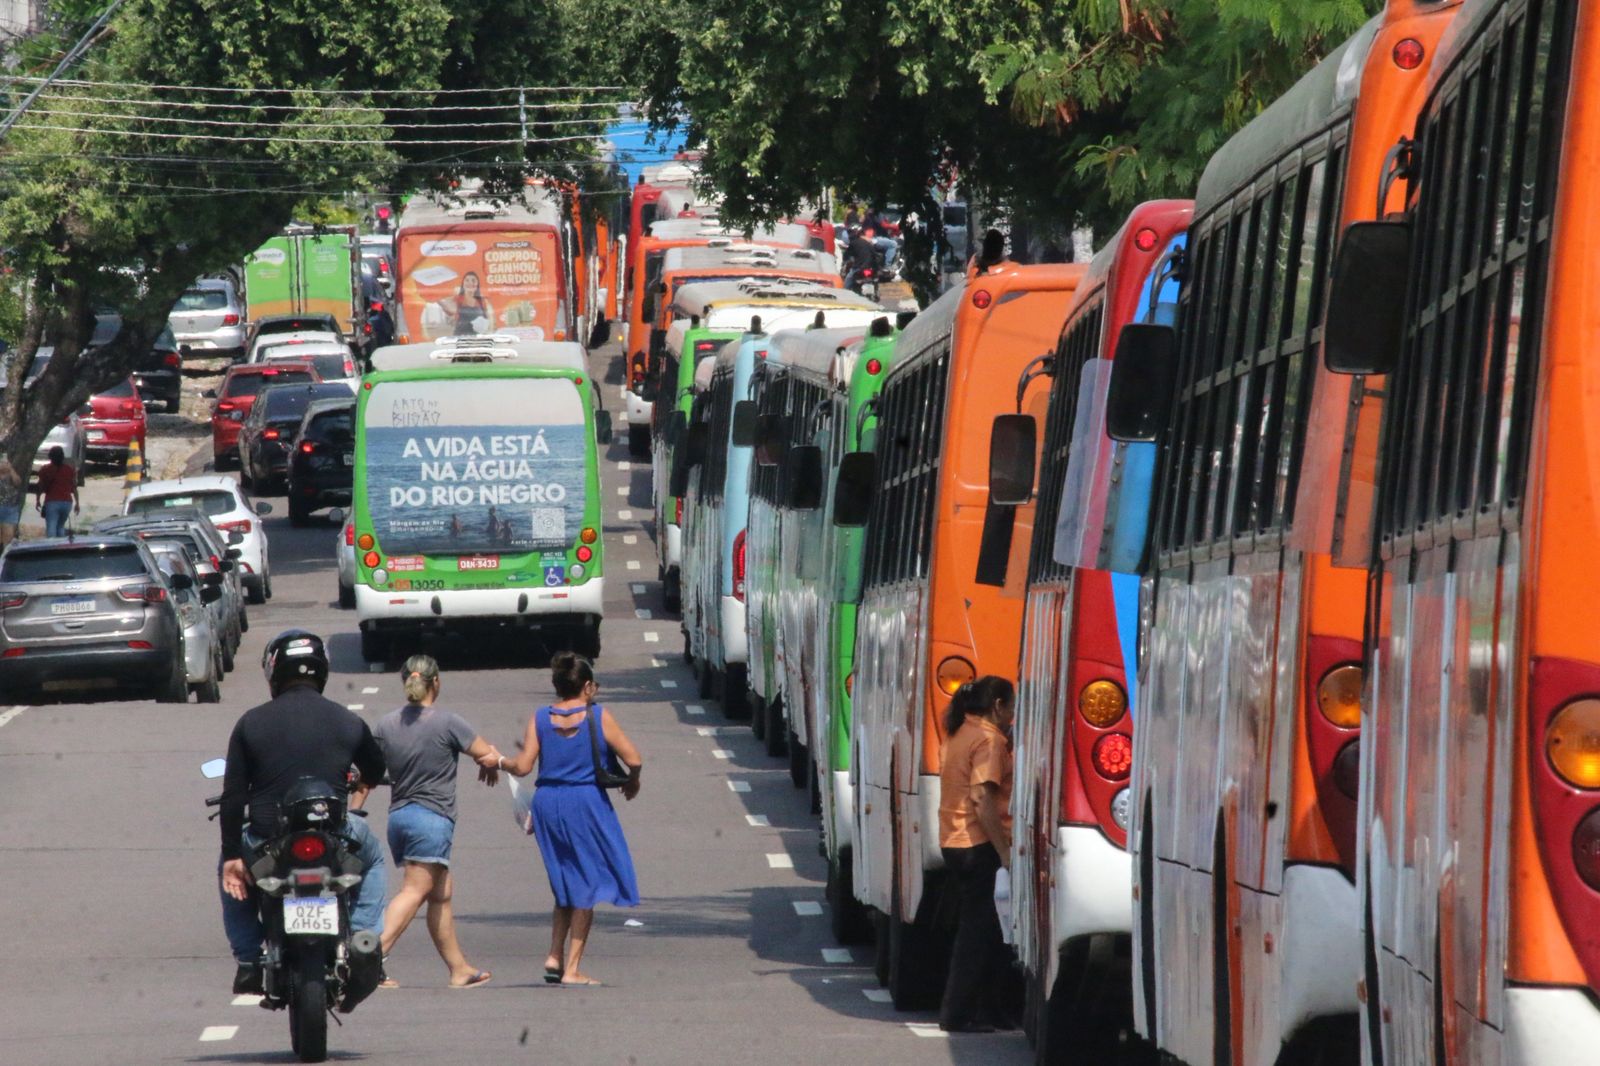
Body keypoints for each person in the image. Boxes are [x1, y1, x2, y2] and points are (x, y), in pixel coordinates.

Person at [219, 630, 389, 995]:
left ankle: (249, 960)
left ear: (273, 671)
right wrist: (358, 778)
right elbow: (375, 770)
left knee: (228, 872)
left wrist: (232, 855)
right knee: (373, 858)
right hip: (336, 833)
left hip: (267, 839)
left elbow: (233, 796)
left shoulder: (251, 723)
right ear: (322, 670)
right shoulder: (347, 721)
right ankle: (364, 938)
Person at [495, 652, 641, 986]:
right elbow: (633, 758)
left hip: (548, 803)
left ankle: (554, 956)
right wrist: (632, 782)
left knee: (565, 881)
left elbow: (524, 766)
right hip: (585, 802)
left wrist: (500, 761)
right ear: (587, 687)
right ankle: (572, 969)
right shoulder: (598, 716)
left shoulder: (541, 718)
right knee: (587, 884)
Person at [372, 655, 501, 988]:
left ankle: (458, 968)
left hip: (399, 818)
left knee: (441, 892)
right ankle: (371, 958)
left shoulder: (386, 724)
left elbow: (367, 771)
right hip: (431, 820)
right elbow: (487, 753)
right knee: (415, 890)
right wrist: (490, 762)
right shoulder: (448, 723)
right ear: (437, 683)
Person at [936, 676, 1017, 1033]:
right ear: (998, 705)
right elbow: (983, 799)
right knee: (978, 934)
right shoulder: (988, 740)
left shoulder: (961, 731)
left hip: (955, 840)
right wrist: (1004, 853)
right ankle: (958, 1014)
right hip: (976, 844)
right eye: (1011, 707)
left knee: (990, 932)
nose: (1013, 716)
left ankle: (989, 1009)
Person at [33, 446, 78, 538]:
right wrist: (77, 503)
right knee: (60, 526)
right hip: (67, 502)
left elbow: (40, 486)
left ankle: (51, 547)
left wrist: (37, 500)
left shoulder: (45, 469)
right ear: (62, 456)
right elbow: (73, 487)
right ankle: (60, 547)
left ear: (50, 457)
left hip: (52, 501)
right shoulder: (69, 469)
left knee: (51, 527)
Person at [0, 458, 23, 547]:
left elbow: (18, 482)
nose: (3, 464)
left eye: (5, 462)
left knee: (8, 536)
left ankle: (4, 556)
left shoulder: (11, 474)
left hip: (11, 509)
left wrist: (11, 469)